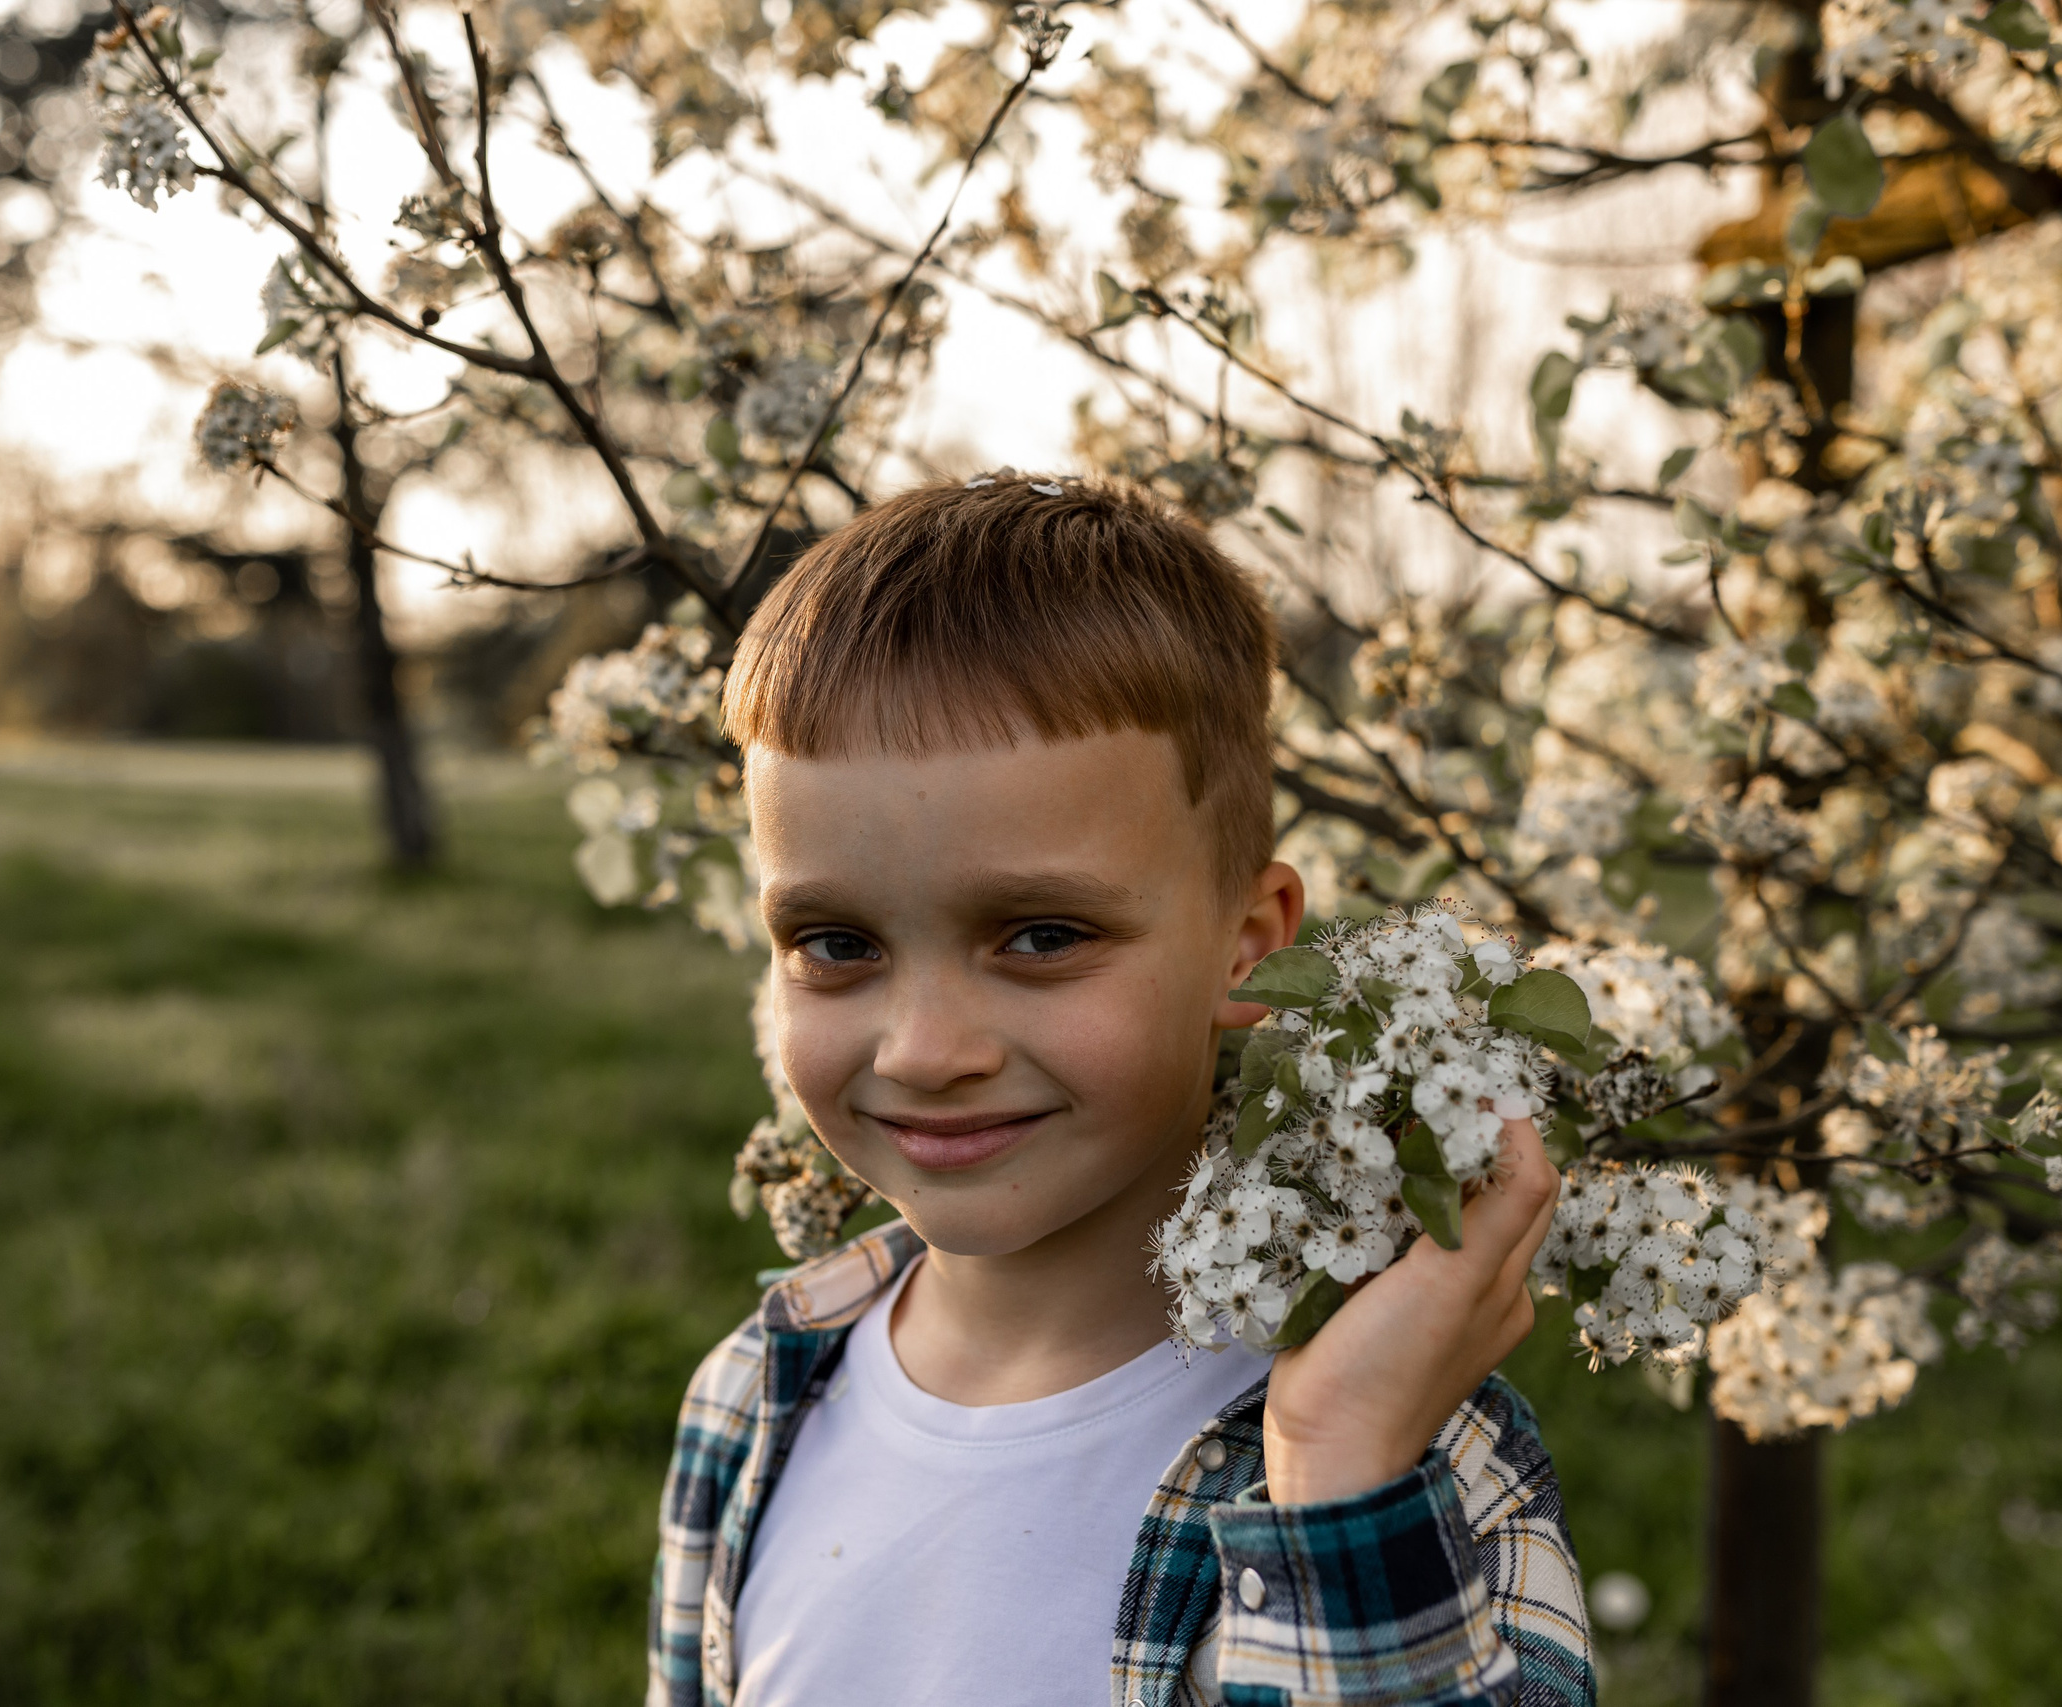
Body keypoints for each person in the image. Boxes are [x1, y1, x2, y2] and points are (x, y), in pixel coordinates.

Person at [646, 476, 1593, 1706]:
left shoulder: (1423, 1462)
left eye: (1040, 936)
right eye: (837, 945)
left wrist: (1342, 1478)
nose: (926, 1050)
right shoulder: (757, 1396)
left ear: (1249, 945)